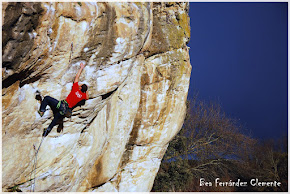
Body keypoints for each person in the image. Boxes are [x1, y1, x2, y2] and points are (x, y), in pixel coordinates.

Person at [37, 62, 89, 137]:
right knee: (55, 119)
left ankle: (42, 111)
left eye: (80, 85)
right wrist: (86, 89)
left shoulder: (75, 89)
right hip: (65, 110)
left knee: (47, 98)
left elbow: (77, 77)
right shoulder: (83, 96)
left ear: (80, 88)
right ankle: (47, 130)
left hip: (62, 105)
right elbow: (87, 97)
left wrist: (81, 68)